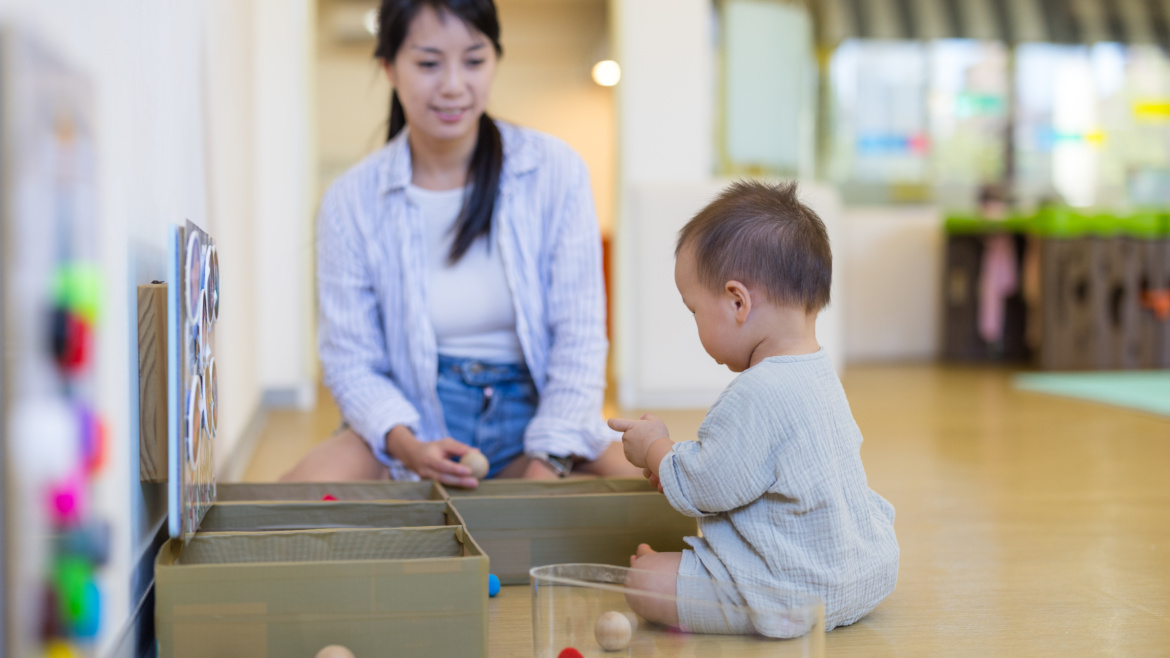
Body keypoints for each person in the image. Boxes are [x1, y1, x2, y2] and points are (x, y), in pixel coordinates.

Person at [283, 0, 638, 487]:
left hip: (538, 423)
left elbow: (579, 338)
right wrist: (408, 447)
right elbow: (351, 361)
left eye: (473, 60)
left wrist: (549, 460)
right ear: (389, 67)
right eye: (428, 63)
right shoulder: (351, 200)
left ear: (495, 59)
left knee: (659, 489)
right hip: (412, 421)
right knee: (292, 500)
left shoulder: (555, 170)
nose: (453, 85)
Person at [608, 180, 899, 633]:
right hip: (860, 573)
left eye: (694, 311)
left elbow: (708, 485)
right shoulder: (819, 373)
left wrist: (655, 449)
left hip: (797, 589)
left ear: (737, 302)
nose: (695, 324)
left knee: (646, 581)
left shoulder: (758, 391)